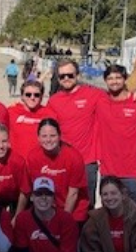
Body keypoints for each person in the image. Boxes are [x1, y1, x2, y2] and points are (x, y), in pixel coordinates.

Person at [46, 59, 102, 204]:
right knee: (62, 203)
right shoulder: (53, 101)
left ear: (77, 75)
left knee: (86, 205)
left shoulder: (93, 94)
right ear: (57, 78)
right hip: (63, 160)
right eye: (62, 76)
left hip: (87, 162)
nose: (66, 79)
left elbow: (118, 96)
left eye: (70, 75)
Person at [22, 118, 89, 224]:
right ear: (38, 138)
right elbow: (27, 190)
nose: (48, 140)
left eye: (52, 136)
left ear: (59, 136)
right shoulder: (33, 157)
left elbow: (73, 194)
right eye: (44, 136)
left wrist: (62, 221)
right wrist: (17, 216)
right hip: (47, 208)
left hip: (73, 209)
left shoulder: (73, 157)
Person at [96, 64, 136, 196]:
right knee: (110, 215)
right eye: (110, 78)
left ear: (125, 79)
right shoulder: (100, 101)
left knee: (133, 214)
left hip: (133, 173)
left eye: (118, 77)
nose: (114, 81)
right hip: (108, 172)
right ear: (105, 81)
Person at [6, 81, 55, 158]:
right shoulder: (11, 112)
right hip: (17, 162)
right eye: (28, 95)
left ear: (41, 97)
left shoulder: (50, 114)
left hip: (40, 162)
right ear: (22, 96)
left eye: (37, 95)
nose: (32, 98)